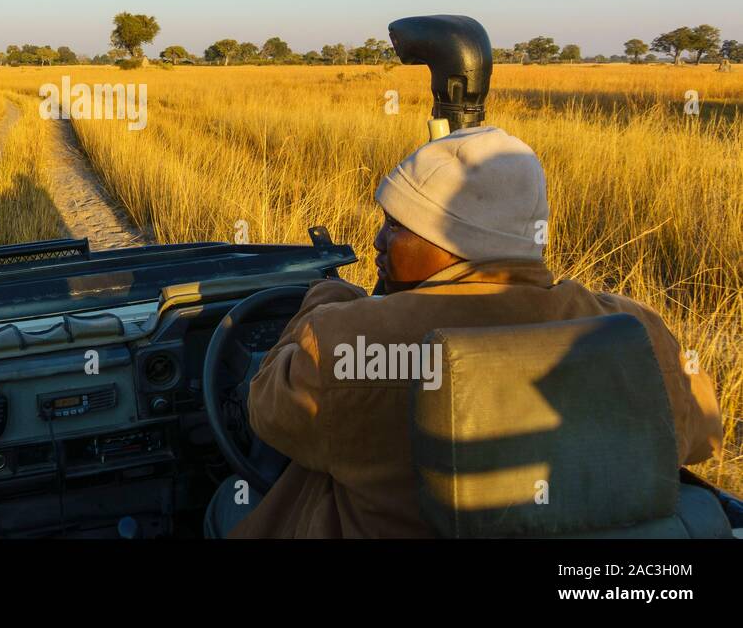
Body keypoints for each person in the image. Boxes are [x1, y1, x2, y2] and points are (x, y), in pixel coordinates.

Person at [210, 125, 723, 537]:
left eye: (396, 224)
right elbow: (701, 435)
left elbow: (267, 413)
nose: (377, 240)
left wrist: (328, 298)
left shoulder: (346, 338)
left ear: (451, 241)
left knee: (226, 505)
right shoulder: (632, 327)